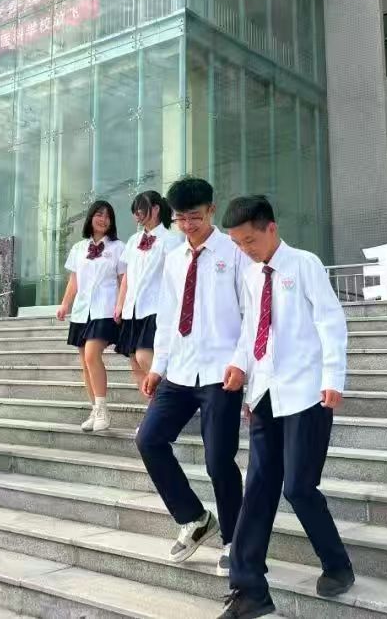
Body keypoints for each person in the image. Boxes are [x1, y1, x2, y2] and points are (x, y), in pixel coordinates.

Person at [219, 195, 353, 619]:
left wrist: (333, 378)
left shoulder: (305, 265)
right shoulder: (251, 275)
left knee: (298, 487)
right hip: (265, 394)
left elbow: (331, 323)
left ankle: (338, 565)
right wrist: (240, 367)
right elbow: (251, 330)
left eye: (250, 240)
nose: (245, 250)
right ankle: (248, 590)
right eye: (238, 244)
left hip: (307, 394)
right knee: (258, 488)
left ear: (271, 228)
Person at [135, 177, 248, 576]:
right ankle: (195, 518)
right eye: (180, 219)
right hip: (181, 371)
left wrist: (242, 363)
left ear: (211, 210)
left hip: (221, 372)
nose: (187, 226)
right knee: (149, 439)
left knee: (219, 460)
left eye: (194, 217)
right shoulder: (174, 258)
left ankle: (234, 540)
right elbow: (167, 318)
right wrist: (158, 367)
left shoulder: (234, 253)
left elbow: (250, 313)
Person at [57, 200, 125, 432]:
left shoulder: (118, 247)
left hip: (105, 309)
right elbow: (74, 280)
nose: (103, 219)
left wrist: (121, 305)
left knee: (91, 355)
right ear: (91, 218)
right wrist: (65, 304)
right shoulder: (79, 248)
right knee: (85, 363)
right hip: (82, 311)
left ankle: (103, 410)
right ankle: (95, 410)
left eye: (107, 216)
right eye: (99, 214)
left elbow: (123, 280)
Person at [115, 190, 180, 397]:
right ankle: (153, 410)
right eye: (135, 211)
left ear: (156, 209)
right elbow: (127, 276)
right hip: (132, 309)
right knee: (135, 362)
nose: (137, 214)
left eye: (141, 209)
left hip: (156, 307)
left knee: (144, 356)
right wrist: (120, 304)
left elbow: (176, 277)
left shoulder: (171, 240)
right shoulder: (133, 240)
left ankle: (173, 399)